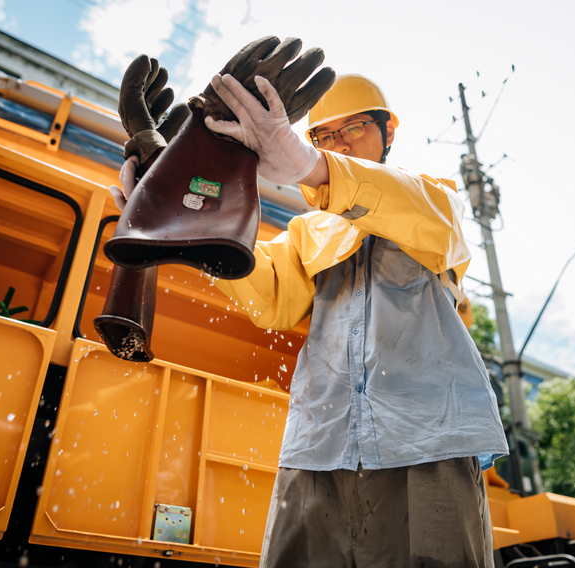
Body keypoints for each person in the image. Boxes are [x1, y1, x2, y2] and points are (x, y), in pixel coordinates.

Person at [115, 71, 509, 567]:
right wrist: (180, 211)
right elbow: (270, 300)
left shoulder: (436, 199)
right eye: (324, 134)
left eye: (355, 127)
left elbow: (408, 210)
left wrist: (312, 164)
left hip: (428, 438)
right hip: (319, 445)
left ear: (389, 132)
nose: (339, 142)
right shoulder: (305, 234)